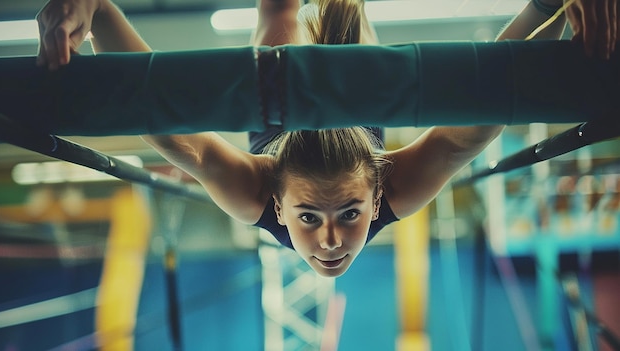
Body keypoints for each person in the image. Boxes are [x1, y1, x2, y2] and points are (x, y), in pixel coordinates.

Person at [36, 0, 617, 277]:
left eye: (324, 215)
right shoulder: (399, 189)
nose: (332, 239)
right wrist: (547, 5)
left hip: (278, 108)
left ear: (277, 203)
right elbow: (471, 123)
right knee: (350, 38)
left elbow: (164, 122)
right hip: (359, 100)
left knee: (282, 18)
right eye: (314, 215)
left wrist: (101, 9)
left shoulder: (248, 193)